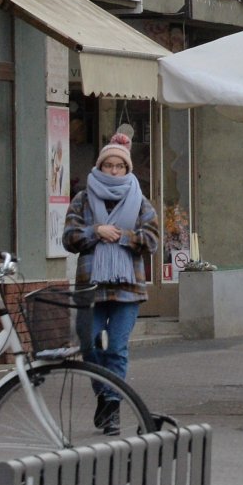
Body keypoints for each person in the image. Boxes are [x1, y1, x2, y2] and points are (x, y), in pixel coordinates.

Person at [63, 132, 159, 433]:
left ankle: (112, 406)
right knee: (90, 344)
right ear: (100, 167)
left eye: (120, 166)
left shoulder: (139, 200)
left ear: (127, 169)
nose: (114, 171)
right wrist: (96, 232)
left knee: (116, 348)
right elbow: (68, 238)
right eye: (109, 166)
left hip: (127, 287)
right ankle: (104, 395)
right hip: (91, 285)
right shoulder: (82, 199)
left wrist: (125, 236)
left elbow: (153, 240)